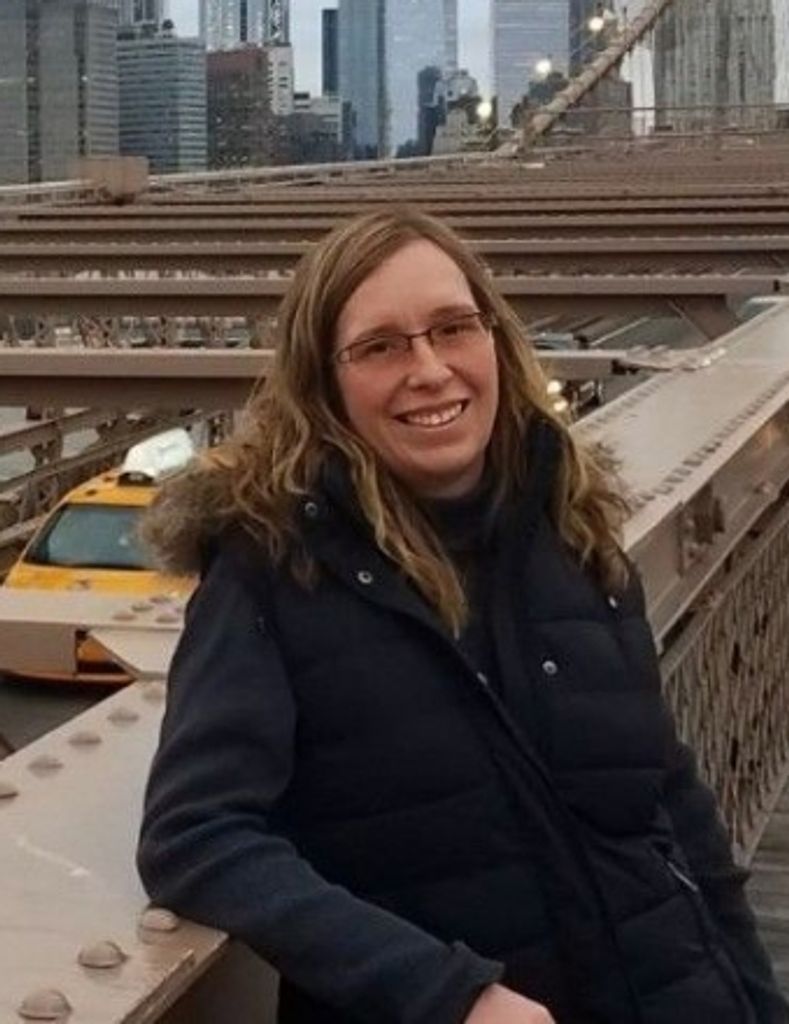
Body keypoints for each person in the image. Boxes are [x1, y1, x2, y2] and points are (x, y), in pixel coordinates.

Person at [137, 207, 786, 1024]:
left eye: (452, 328)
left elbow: (672, 805)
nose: (430, 369)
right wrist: (446, 992)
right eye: (380, 347)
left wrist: (756, 1001)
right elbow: (194, 836)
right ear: (323, 383)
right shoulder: (272, 569)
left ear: (495, 340)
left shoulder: (571, 531)